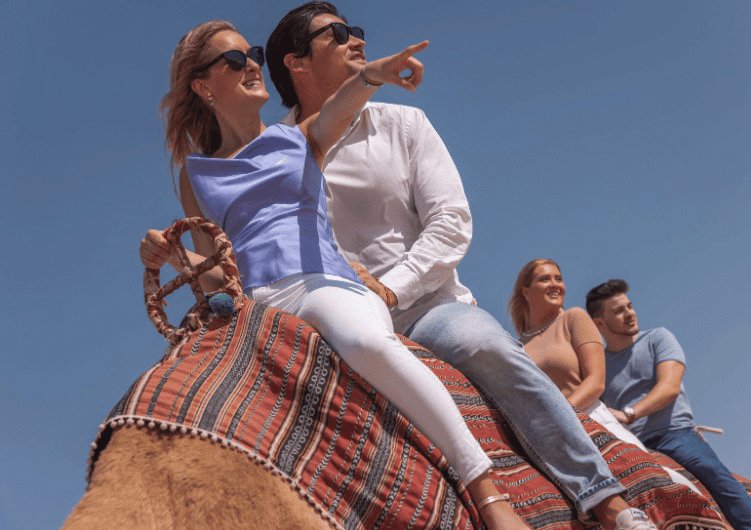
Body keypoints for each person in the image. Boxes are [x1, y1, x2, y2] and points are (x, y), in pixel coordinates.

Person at [266, 3, 656, 528]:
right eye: (337, 34)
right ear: (296, 62)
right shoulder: (277, 153)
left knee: (485, 344)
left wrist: (391, 288)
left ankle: (605, 500)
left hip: (426, 306)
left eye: (355, 29)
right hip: (334, 316)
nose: (356, 39)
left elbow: (450, 220)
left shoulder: (403, 123)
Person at [138, 20, 527, 529]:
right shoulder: (198, 177)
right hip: (258, 304)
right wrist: (171, 259)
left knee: (366, 345)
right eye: (234, 60)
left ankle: (486, 489)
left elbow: (341, 108)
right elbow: (219, 275)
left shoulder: (297, 137)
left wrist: (372, 75)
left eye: (252, 53)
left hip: (321, 281)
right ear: (204, 86)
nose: (253, 64)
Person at [586, 279, 751, 530]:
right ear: (599, 323)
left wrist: (630, 414)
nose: (630, 313)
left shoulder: (657, 338)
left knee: (715, 476)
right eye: (619, 310)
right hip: (630, 445)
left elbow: (669, 387)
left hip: (674, 434)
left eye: (630, 306)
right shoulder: (600, 367)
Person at [508, 259, 699, 493]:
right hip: (553, 435)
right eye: (545, 279)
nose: (555, 284)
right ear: (526, 292)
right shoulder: (519, 346)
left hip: (590, 416)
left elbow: (596, 382)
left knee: (659, 485)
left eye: (559, 278)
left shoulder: (574, 318)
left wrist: (559, 416)